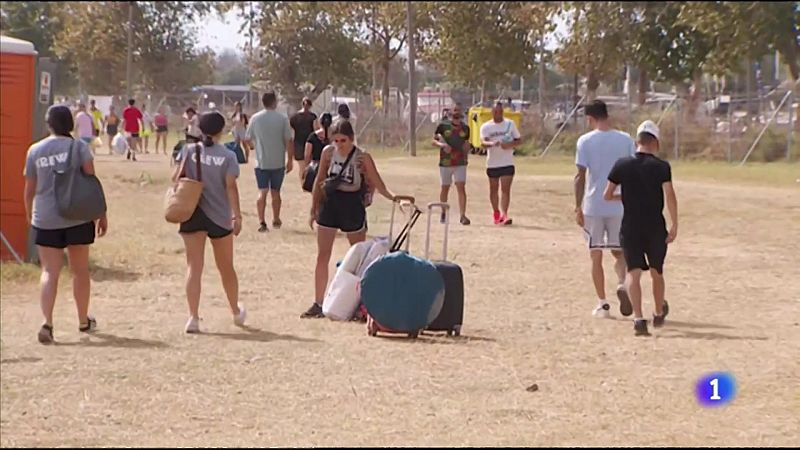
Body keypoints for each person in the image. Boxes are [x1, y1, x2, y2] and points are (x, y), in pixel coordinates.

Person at [302, 120, 409, 318]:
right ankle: (318, 302)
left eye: (343, 140)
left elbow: (379, 184)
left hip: (351, 205)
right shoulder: (327, 153)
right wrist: (313, 209)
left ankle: (361, 304)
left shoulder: (362, 157)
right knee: (322, 255)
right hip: (330, 204)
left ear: (352, 139)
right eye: (336, 140)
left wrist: (397, 199)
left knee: (361, 258)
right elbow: (319, 181)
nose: (340, 145)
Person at [24, 105, 109, 344]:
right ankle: (83, 319)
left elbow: (29, 189)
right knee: (80, 270)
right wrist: (101, 213)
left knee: (49, 271)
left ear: (48, 124)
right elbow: (91, 182)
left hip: (46, 218)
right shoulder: (80, 147)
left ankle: (47, 323)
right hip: (78, 217)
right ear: (70, 124)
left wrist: (30, 216)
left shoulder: (35, 150)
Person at [171, 111, 245, 334]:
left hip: (191, 212)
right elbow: (231, 187)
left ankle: (193, 317)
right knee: (226, 267)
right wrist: (237, 215)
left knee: (194, 267)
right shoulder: (228, 155)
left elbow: (176, 178)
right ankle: (235, 311)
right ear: (221, 130)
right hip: (220, 216)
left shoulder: (188, 150)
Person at [604, 120, 678, 336]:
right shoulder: (662, 167)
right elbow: (670, 195)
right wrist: (675, 223)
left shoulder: (622, 164)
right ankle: (657, 312)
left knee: (633, 273)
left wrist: (624, 196)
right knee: (657, 272)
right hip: (655, 226)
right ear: (655, 142)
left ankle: (638, 319)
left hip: (630, 226)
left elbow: (607, 195)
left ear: (637, 141)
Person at [574, 100, 637, 318]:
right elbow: (634, 171)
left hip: (594, 205)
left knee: (596, 255)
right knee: (621, 252)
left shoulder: (585, 141)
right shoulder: (625, 139)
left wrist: (577, 206)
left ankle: (603, 304)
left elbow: (580, 176)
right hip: (620, 204)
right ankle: (622, 283)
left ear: (590, 118)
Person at [244, 90, 293, 232]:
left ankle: (261, 221)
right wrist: (289, 159)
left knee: (262, 191)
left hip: (261, 162)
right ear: (274, 102)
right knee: (276, 192)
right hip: (277, 161)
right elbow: (289, 140)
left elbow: (247, 138)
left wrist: (253, 147)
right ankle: (276, 218)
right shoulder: (282, 118)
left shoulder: (255, 118)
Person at [480, 101, 521, 225]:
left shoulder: (510, 124)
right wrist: (492, 144)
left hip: (507, 162)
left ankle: (505, 214)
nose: (498, 114)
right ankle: (496, 212)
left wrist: (508, 145)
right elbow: (482, 142)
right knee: (493, 190)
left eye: (501, 111)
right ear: (492, 112)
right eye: (496, 111)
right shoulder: (486, 127)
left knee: (505, 190)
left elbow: (518, 140)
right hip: (492, 163)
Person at [432, 103, 471, 225]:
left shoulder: (465, 128)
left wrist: (467, 150)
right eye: (454, 112)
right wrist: (442, 145)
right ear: (450, 113)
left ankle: (463, 215)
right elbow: (433, 140)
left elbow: (466, 144)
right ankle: (443, 212)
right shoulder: (443, 126)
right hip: (446, 162)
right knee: (445, 188)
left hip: (460, 162)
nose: (456, 116)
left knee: (461, 187)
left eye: (458, 113)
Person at [290, 97, 319, 177]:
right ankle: (305, 183)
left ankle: (304, 183)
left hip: (302, 143)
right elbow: (316, 129)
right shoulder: (312, 116)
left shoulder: (295, 117)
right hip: (307, 144)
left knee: (303, 166)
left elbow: (291, 131)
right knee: (306, 166)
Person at [303, 112, 333, 181]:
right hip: (331, 167)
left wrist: (307, 168)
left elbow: (307, 155)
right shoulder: (336, 136)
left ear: (320, 122)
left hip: (316, 167)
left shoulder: (313, 136)